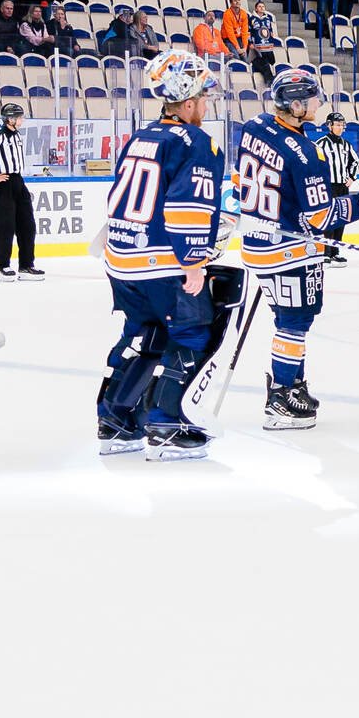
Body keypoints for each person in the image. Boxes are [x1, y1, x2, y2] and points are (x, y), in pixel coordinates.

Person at [235, 70, 359, 429]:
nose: (319, 103)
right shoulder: (308, 154)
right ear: (294, 105)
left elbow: (242, 177)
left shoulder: (255, 126)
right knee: (295, 321)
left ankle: (293, 385)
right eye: (312, 99)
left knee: (288, 319)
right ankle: (280, 396)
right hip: (290, 250)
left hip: (257, 241)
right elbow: (323, 217)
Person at [96, 51, 233, 460]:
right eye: (204, 99)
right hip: (163, 263)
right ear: (188, 101)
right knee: (192, 331)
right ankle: (169, 425)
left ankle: (117, 422)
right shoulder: (198, 143)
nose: (206, 106)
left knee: (143, 334)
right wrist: (193, 262)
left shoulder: (141, 136)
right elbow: (186, 206)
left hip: (121, 257)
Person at [0, 101, 43, 281]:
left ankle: (26, 265)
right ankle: (3, 266)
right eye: (19, 117)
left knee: (27, 225)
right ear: (10, 119)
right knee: (4, 227)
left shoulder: (16, 134)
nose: (22, 119)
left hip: (18, 181)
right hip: (3, 184)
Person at [316, 111, 357, 261]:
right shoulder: (321, 144)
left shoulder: (346, 145)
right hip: (328, 187)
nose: (340, 128)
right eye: (338, 125)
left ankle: (335, 252)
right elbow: (314, 164)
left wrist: (352, 177)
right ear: (330, 126)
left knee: (341, 218)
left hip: (342, 187)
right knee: (328, 219)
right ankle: (325, 252)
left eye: (342, 125)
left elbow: (355, 162)